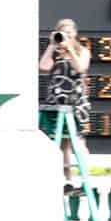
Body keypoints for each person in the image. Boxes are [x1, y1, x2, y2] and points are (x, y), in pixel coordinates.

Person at [38, 18, 91, 189]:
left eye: (69, 33)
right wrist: (52, 45)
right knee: (63, 145)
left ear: (75, 34)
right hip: (57, 102)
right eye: (63, 33)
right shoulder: (55, 52)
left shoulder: (82, 50)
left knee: (79, 141)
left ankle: (85, 180)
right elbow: (43, 67)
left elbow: (81, 67)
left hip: (76, 103)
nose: (66, 36)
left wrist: (70, 50)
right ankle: (68, 181)